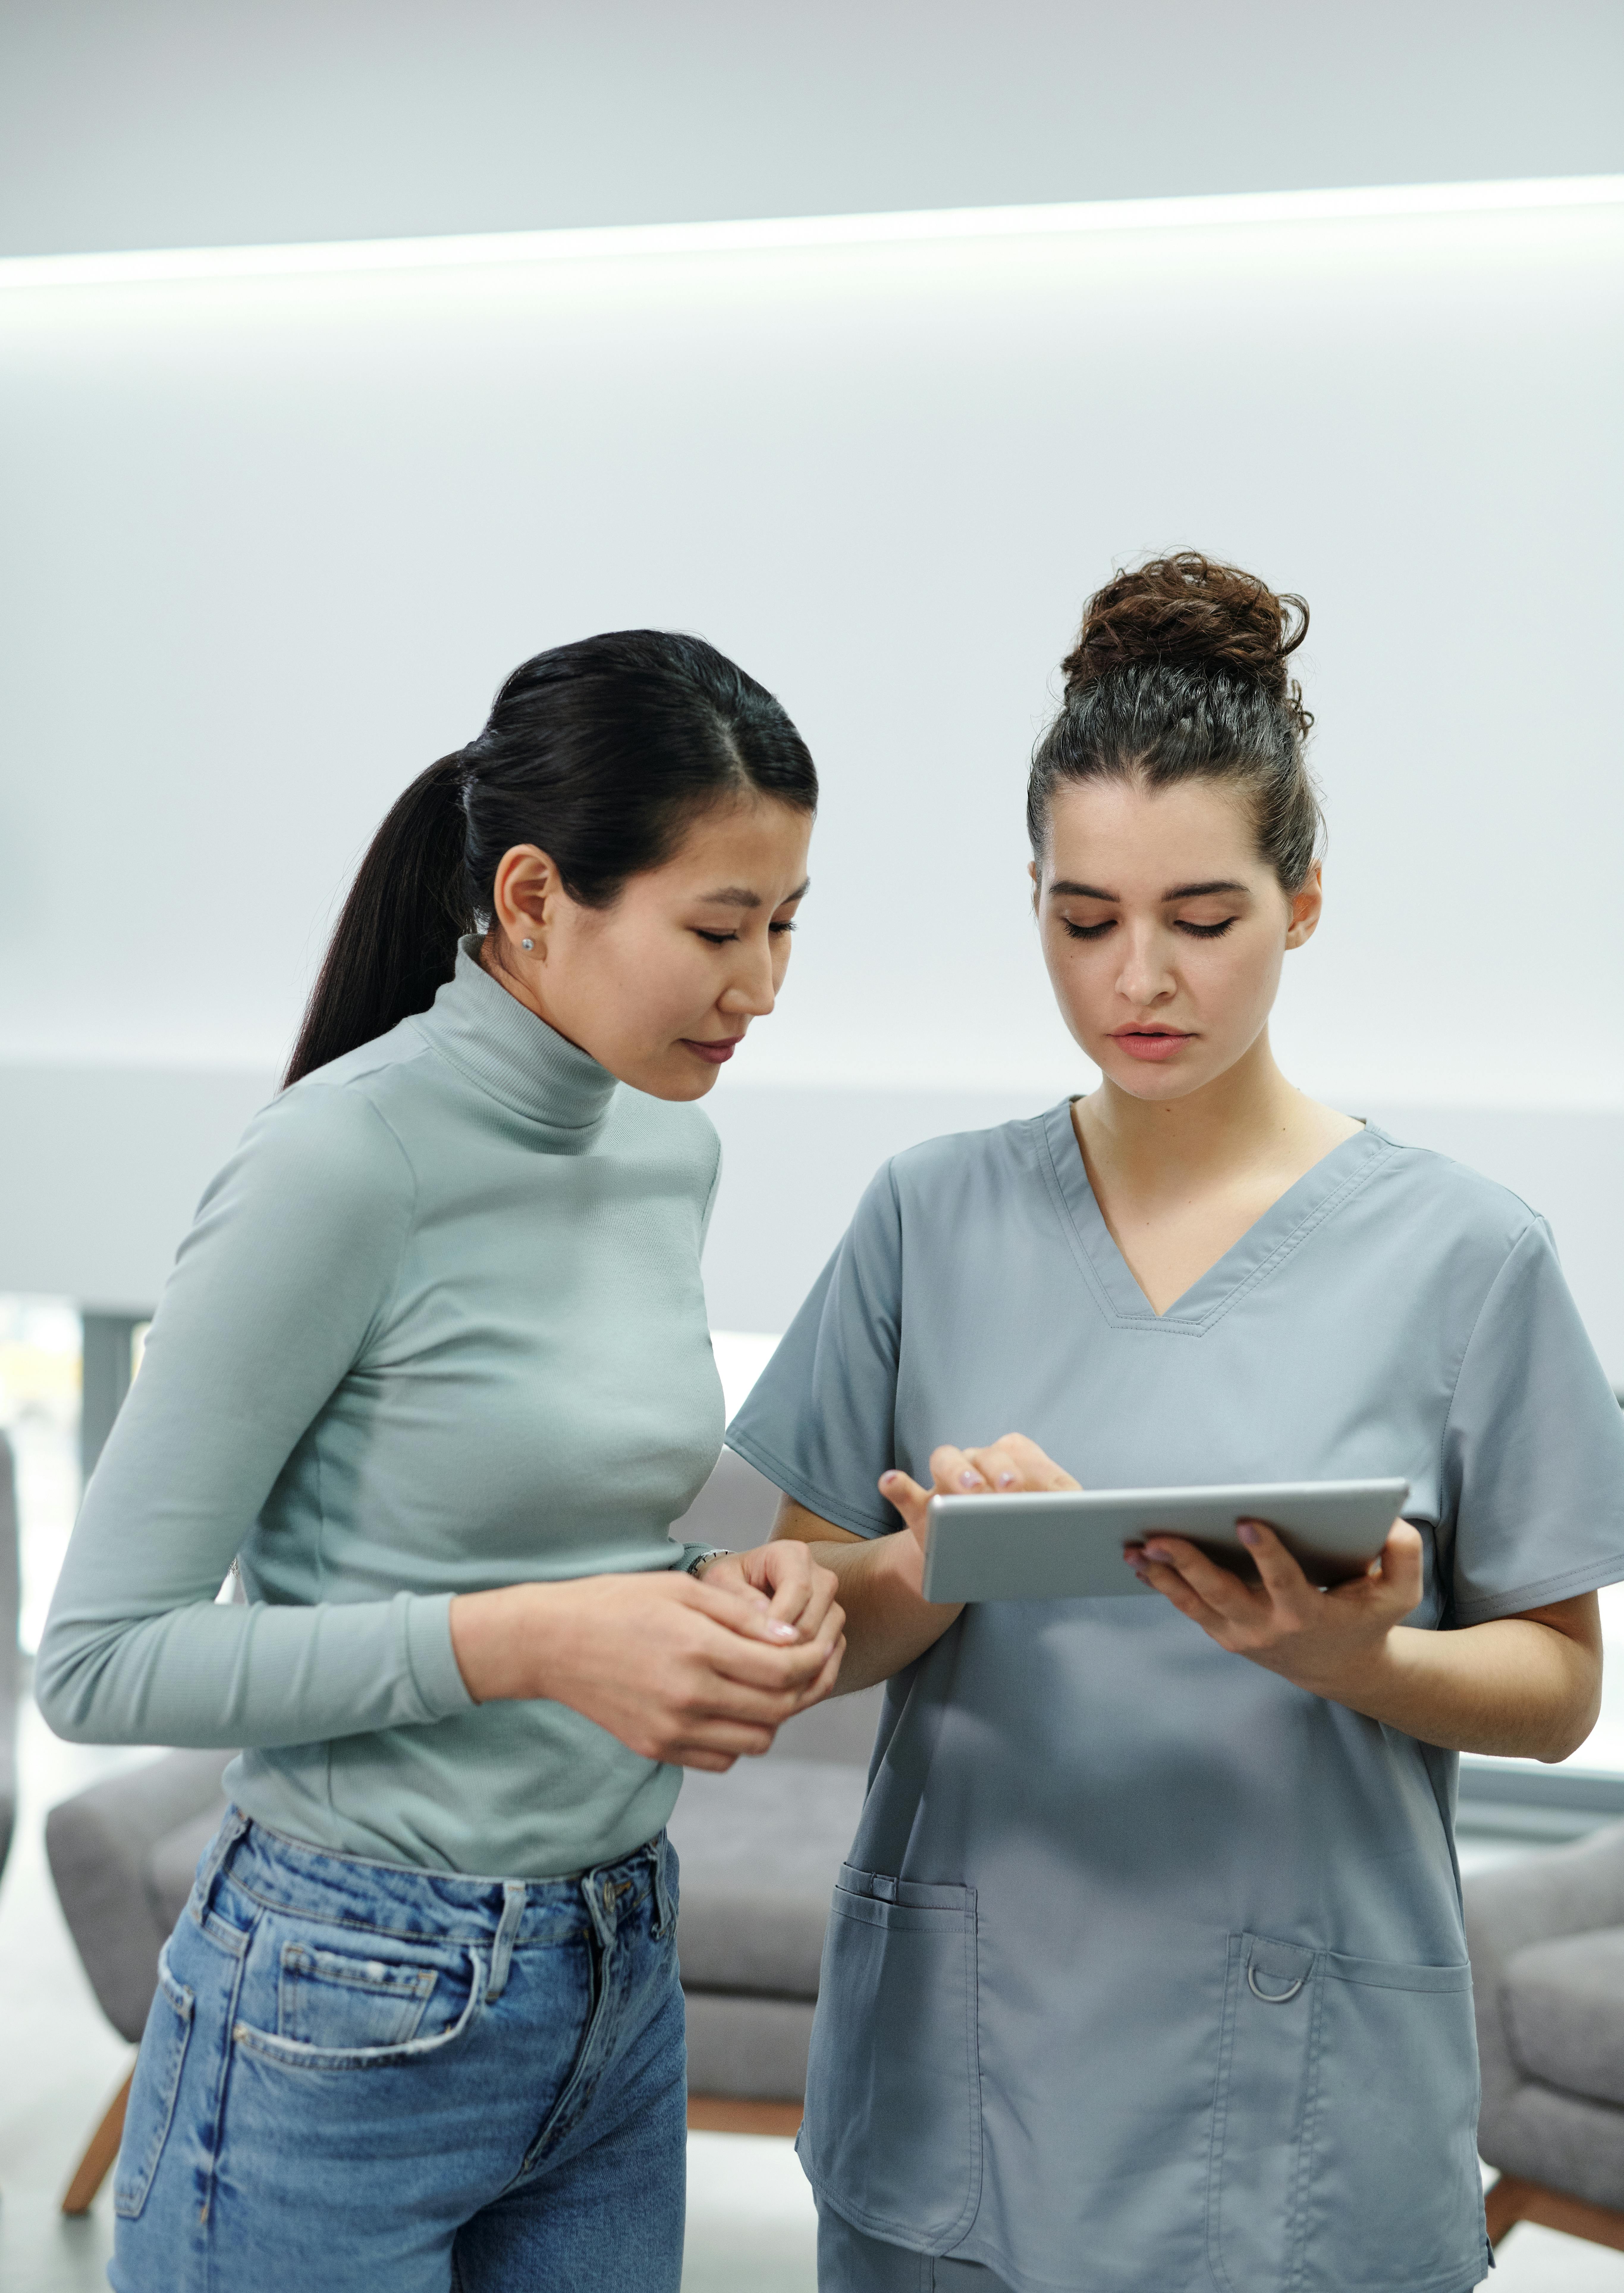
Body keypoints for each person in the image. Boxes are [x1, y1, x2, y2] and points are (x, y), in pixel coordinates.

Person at [725, 554, 1624, 2293]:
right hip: (966, 2075)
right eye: (1083, 922)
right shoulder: (926, 1217)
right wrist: (927, 1568)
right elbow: (807, 1625)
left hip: (1296, 2097)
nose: (1137, 979)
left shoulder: (1467, 1257)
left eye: (1202, 920)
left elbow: (1560, 1687)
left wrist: (1353, 1656)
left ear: (1303, 902)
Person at [37, 629, 845, 2293]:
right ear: (535, 898)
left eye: (785, 925)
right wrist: (537, 1643)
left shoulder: (666, 1148)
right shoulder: (338, 1163)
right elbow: (99, 1664)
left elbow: (545, 1528)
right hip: (340, 1991)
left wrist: (719, 1592)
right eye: (718, 929)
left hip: (616, 1971)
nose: (761, 985)